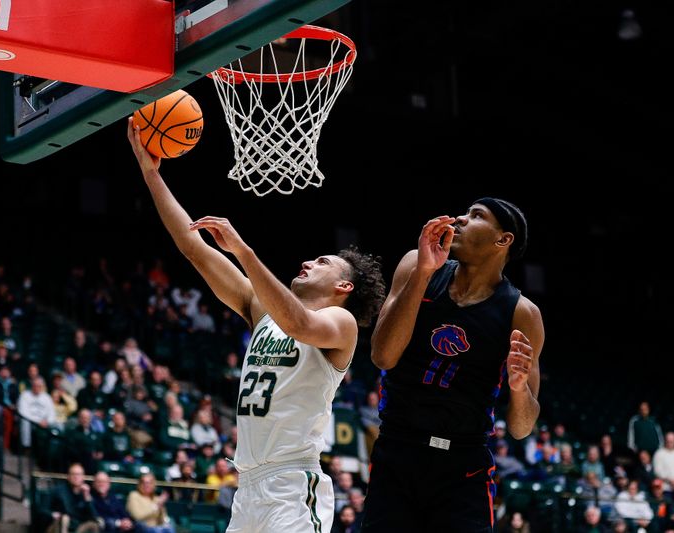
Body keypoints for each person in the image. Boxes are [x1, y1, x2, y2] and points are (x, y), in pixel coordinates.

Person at [127, 118, 386, 533]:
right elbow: (193, 248)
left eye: (321, 262)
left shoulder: (341, 323)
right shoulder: (262, 309)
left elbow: (299, 322)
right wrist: (151, 173)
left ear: (343, 286)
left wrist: (244, 251)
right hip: (247, 486)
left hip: (291, 485)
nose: (306, 262)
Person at [361, 202, 544, 532]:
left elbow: (522, 427)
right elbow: (383, 356)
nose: (460, 218)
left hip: (464, 466)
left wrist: (518, 389)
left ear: (503, 240)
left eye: (476, 216)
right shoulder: (415, 266)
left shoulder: (522, 313)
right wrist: (423, 273)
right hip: (398, 449)